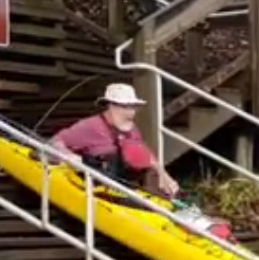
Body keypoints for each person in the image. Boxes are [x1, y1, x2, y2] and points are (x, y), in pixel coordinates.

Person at [49, 82, 179, 198]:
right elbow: (55, 142)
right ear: (111, 106)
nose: (131, 113)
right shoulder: (90, 126)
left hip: (123, 192)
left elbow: (144, 154)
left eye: (133, 107)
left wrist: (163, 175)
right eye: (125, 107)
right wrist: (68, 156)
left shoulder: (131, 129)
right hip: (94, 194)